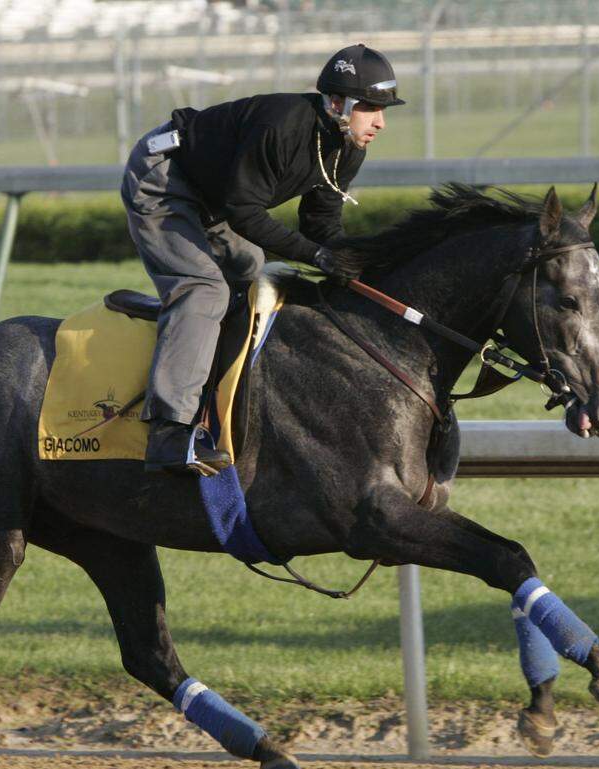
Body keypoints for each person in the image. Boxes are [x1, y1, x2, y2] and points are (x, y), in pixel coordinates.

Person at [120, 44, 405, 475]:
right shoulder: (283, 126)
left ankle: (227, 402)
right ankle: (169, 431)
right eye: (369, 108)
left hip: (215, 197)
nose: (380, 122)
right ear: (335, 103)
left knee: (256, 282)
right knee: (205, 289)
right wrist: (318, 257)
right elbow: (245, 213)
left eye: (383, 110)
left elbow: (320, 223)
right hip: (163, 179)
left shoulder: (348, 146)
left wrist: (358, 262)